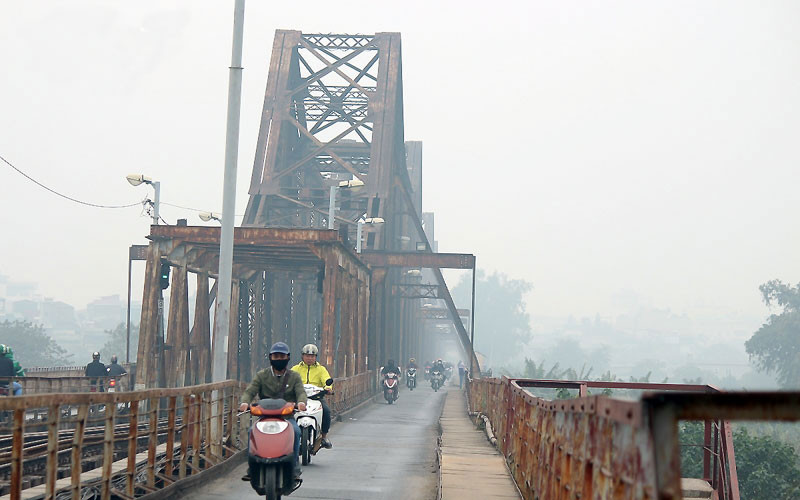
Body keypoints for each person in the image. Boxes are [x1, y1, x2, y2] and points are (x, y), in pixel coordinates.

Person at [239, 342, 307, 480]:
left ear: (288, 357)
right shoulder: (262, 375)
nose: (279, 359)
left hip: (286, 417)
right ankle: (252, 468)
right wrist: (245, 402)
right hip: (265, 417)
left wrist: (301, 403)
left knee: (296, 431)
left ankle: (294, 467)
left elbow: (301, 392)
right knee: (252, 431)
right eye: (276, 356)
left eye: (282, 356)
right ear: (270, 357)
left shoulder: (294, 376)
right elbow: (250, 391)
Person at [291, 343, 334, 449]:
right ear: (302, 356)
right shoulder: (296, 369)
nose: (309, 358)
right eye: (307, 356)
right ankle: (287, 434)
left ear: (315, 357)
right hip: (298, 398)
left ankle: (324, 437)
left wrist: (328, 388)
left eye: (312, 356)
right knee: (287, 411)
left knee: (326, 411)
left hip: (316, 398)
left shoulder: (321, 369)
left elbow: (326, 380)